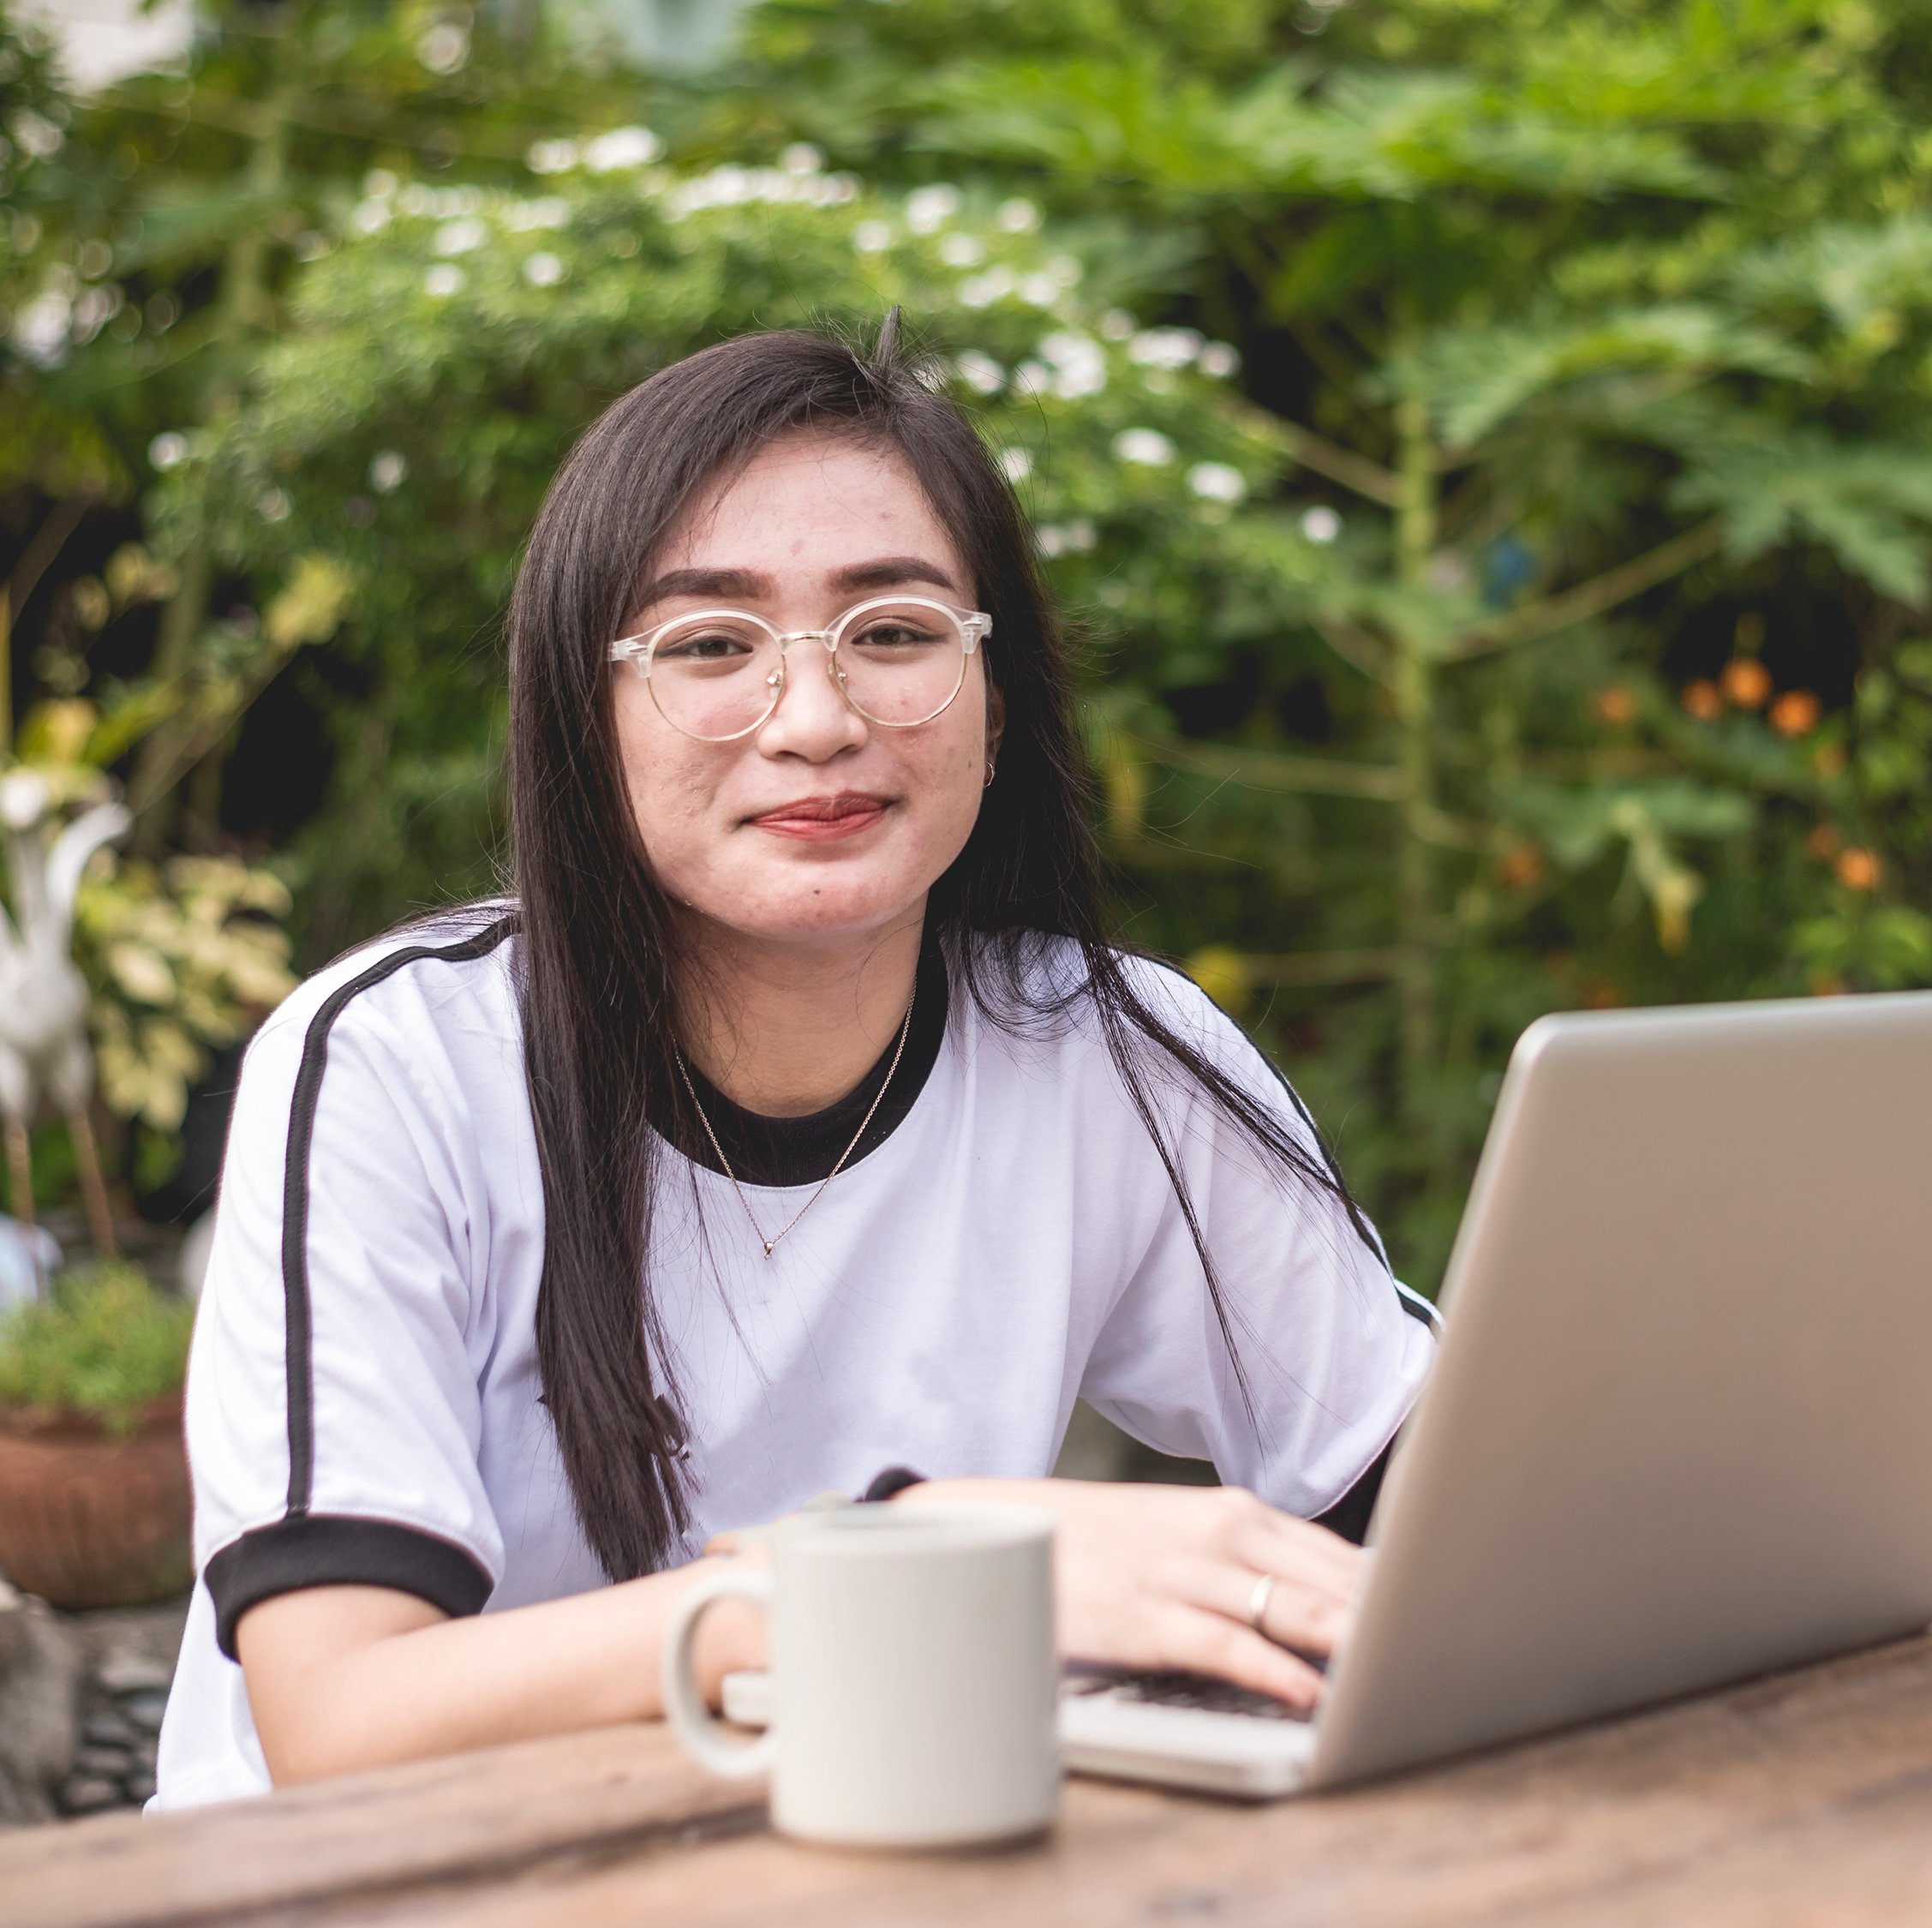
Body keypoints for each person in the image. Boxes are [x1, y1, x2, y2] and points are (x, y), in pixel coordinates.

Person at [152, 327, 1434, 1808]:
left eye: (893, 633)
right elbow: (341, 1715)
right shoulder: (391, 1066)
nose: (817, 721)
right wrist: (904, 1573)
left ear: (994, 700)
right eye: (709, 646)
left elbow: (1444, 1493)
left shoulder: (1106, 1054)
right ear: (590, 714)